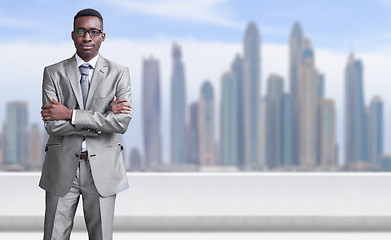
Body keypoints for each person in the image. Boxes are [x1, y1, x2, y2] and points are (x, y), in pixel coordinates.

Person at [39, 8, 132, 240]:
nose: (87, 37)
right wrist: (102, 119)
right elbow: (52, 126)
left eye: (93, 31)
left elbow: (120, 124)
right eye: (81, 31)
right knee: (54, 236)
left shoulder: (119, 73)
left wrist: (69, 113)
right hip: (61, 169)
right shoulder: (53, 73)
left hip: (103, 170)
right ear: (73, 35)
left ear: (103, 36)